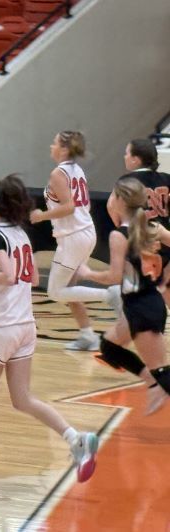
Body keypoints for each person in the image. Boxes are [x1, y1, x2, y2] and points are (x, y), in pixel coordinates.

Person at [0, 175, 99, 489]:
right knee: (23, 398)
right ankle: (75, 438)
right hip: (25, 325)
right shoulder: (21, 235)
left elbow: (10, 274)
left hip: (2, 326)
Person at [78, 177, 170, 415]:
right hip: (144, 303)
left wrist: (88, 273)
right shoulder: (153, 228)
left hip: (142, 307)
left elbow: (114, 277)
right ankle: (152, 384)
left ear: (118, 200)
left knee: (163, 374)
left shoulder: (119, 235)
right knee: (109, 347)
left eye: (112, 195)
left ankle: (156, 383)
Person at [29, 131, 118, 351]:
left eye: (55, 143)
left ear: (65, 149)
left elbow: (69, 206)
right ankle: (88, 335)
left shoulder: (58, 174)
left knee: (55, 292)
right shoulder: (76, 170)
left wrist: (41, 216)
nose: (51, 146)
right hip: (85, 232)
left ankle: (110, 295)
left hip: (73, 237)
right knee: (70, 288)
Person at [112, 138, 170, 307]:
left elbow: (111, 206)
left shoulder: (127, 180)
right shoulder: (166, 179)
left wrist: (121, 227)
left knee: (136, 293)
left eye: (126, 153)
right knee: (165, 290)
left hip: (140, 242)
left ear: (135, 159)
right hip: (164, 240)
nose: (124, 157)